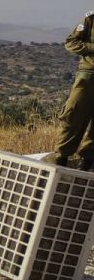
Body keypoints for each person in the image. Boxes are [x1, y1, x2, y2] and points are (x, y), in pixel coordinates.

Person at [49, 11, 94, 169]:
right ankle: (61, 159)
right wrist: (92, 48)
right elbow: (71, 42)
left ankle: (86, 163)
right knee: (73, 115)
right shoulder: (91, 18)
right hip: (89, 76)